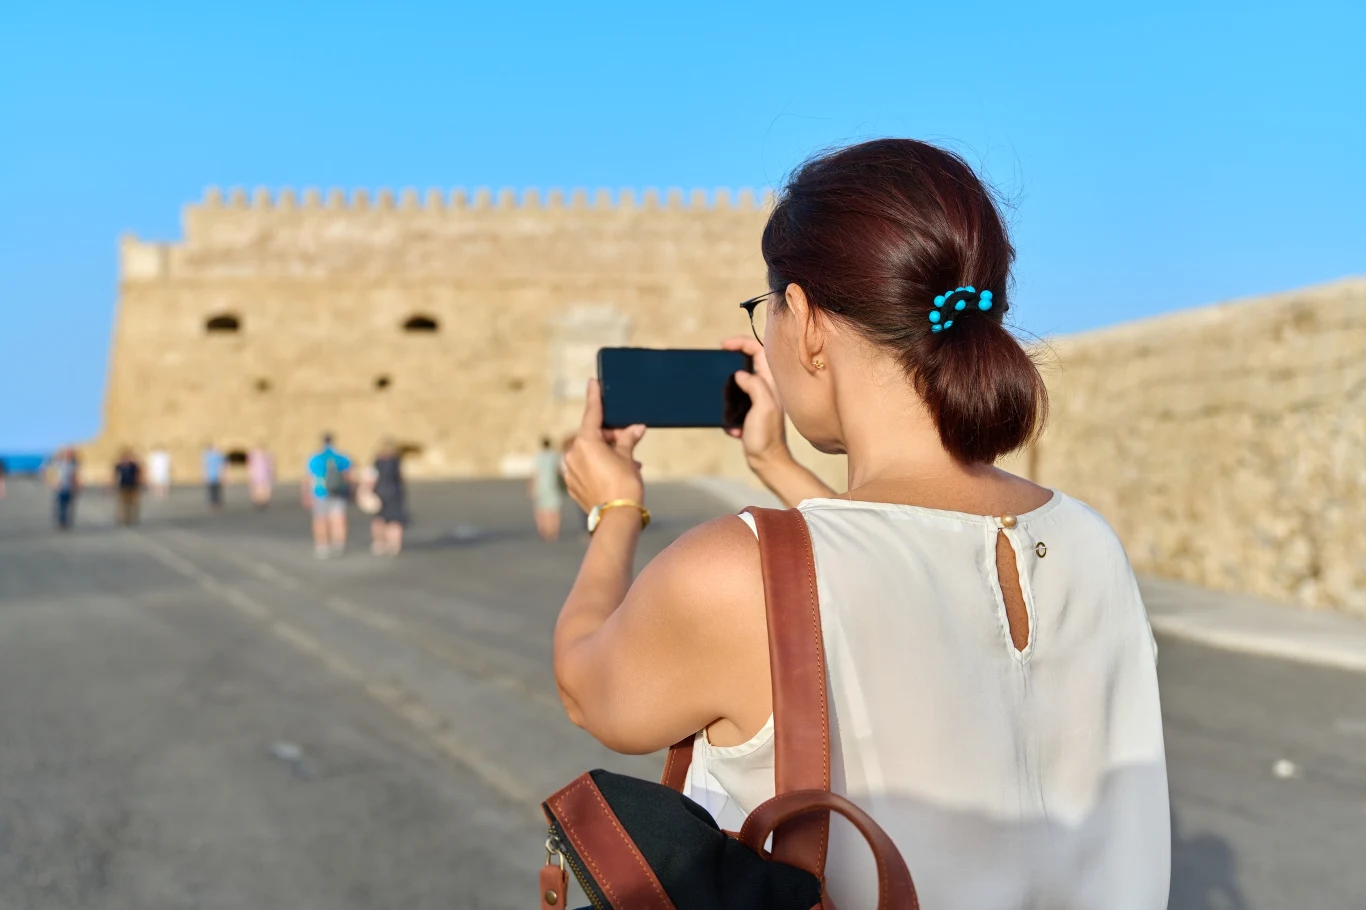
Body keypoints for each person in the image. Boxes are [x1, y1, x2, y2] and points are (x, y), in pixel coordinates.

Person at [554, 139, 1169, 909]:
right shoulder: (1087, 540)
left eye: (768, 307)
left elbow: (591, 691)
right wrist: (776, 462)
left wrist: (614, 508)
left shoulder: (735, 571)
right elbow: (909, 559)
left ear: (806, 321)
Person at [302, 432, 352, 558]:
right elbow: (348, 475)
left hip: (320, 492)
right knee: (338, 520)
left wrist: (306, 495)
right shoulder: (341, 457)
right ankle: (338, 545)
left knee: (320, 520)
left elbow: (307, 478)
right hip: (338, 492)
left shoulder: (315, 458)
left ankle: (322, 546)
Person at [364, 439, 408, 555]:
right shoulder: (396, 461)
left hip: (380, 493)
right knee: (395, 521)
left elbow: (372, 478)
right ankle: (394, 545)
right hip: (394, 493)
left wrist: (367, 492)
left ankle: (379, 543)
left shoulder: (377, 462)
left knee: (379, 519)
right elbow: (401, 478)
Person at [528, 436, 565, 542]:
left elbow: (535, 473)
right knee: (555, 510)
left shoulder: (538, 457)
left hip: (540, 486)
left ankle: (543, 530)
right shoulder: (555, 456)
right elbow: (559, 471)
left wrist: (531, 487)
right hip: (553, 485)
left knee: (541, 510)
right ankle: (554, 532)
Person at [48, 447, 80, 530]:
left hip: (70, 487)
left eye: (69, 453)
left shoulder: (73, 464)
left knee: (70, 506)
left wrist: (76, 485)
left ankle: (67, 521)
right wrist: (53, 483)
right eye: (67, 453)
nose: (68, 455)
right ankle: (61, 522)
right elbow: (50, 473)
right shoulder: (58, 463)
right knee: (61, 506)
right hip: (60, 488)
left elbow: (75, 476)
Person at [111, 447, 143, 526]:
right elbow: (115, 475)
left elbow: (139, 474)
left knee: (133, 503)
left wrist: (140, 483)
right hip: (123, 486)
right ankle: (123, 518)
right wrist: (112, 484)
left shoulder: (134, 465)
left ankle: (131, 517)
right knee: (123, 504)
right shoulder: (119, 465)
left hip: (133, 486)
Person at [247, 445, 274, 509]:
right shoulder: (254, 455)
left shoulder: (265, 455)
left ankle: (261, 500)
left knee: (262, 488)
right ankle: (260, 500)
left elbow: (270, 465)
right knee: (259, 488)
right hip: (258, 474)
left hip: (261, 474)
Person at [202, 442, 225, 509]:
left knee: (216, 490)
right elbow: (205, 466)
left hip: (216, 475)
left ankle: (216, 501)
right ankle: (212, 502)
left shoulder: (218, 455)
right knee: (212, 490)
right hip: (211, 475)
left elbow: (222, 465)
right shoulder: (207, 455)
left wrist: (222, 475)